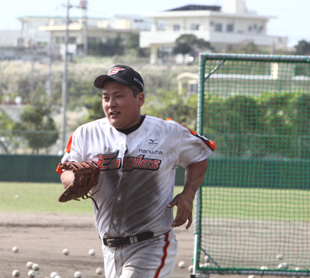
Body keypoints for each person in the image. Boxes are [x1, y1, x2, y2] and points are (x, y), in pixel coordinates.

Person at [57, 64, 215, 278]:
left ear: (139, 99)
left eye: (119, 96)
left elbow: (200, 155)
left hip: (153, 242)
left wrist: (188, 194)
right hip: (109, 248)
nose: (111, 104)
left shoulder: (168, 132)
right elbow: (65, 171)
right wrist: (74, 179)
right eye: (106, 97)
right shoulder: (86, 134)